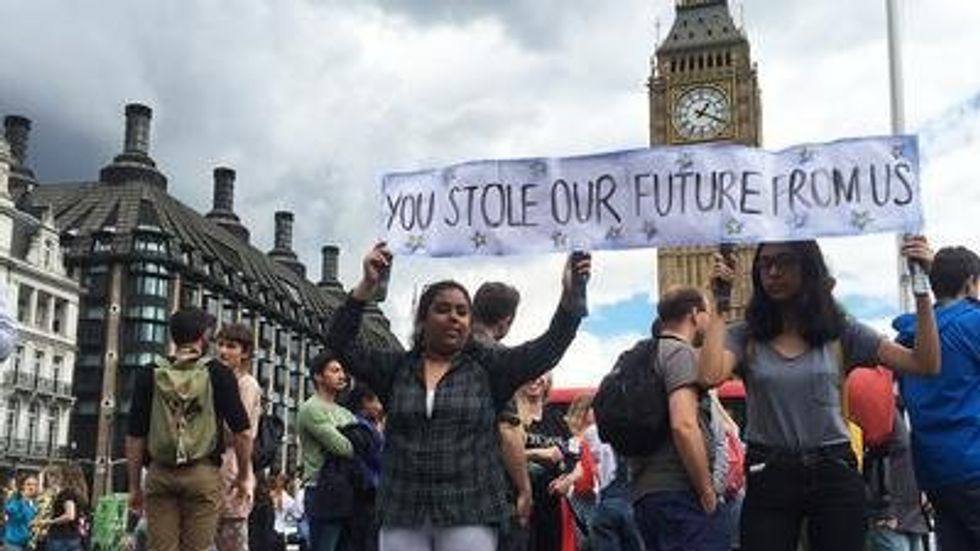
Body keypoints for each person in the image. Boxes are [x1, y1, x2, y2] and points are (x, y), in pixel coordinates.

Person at [325, 242, 590, 551]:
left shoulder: (489, 369)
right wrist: (367, 286)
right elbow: (339, 341)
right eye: (443, 309)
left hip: (469, 514)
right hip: (402, 513)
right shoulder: (396, 369)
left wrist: (571, 298)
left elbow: (546, 349)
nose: (454, 317)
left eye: (462, 312)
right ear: (423, 320)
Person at [698, 237, 941, 551]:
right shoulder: (746, 335)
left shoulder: (841, 332)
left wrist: (921, 288)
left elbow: (925, 363)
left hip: (833, 470)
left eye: (784, 262)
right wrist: (719, 303)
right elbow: (709, 376)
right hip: (769, 471)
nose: (773, 272)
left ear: (809, 268)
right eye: (765, 265)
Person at [126, 307, 253, 551]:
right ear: (203, 337)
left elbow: (135, 436)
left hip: (160, 472)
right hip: (202, 473)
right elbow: (243, 432)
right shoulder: (218, 373)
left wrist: (134, 486)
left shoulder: (149, 372)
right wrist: (243, 475)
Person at [893, 245, 980, 551]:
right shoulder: (972, 323)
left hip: (933, 469)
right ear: (970, 282)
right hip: (974, 460)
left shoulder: (909, 336)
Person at [628, 287, 728, 551]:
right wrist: (706, 490)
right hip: (680, 491)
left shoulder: (639, 356)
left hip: (644, 493)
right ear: (694, 314)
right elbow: (683, 425)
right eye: (707, 313)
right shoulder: (679, 353)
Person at [471, 281, 534, 551]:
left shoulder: (442, 351)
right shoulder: (497, 357)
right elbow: (507, 431)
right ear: (507, 320)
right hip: (489, 492)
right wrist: (524, 488)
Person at [297, 350, 356, 551]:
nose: (342, 375)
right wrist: (357, 441)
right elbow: (344, 448)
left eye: (342, 371)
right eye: (334, 370)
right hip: (321, 488)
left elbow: (365, 445)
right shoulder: (311, 408)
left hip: (347, 488)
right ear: (318, 376)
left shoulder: (345, 412)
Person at [214, 323, 264, 551]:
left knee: (231, 539)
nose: (223, 351)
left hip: (232, 467)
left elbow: (238, 430)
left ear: (245, 353)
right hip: (216, 468)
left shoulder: (246, 384)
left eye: (231, 346)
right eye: (221, 344)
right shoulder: (219, 379)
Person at [36, 464, 89, 551]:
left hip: (60, 537)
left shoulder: (67, 493)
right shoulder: (80, 495)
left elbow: (70, 515)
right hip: (74, 536)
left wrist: (50, 522)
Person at [3, 475, 38, 551]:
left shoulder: (34, 503)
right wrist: (23, 500)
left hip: (26, 544)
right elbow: (11, 512)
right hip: (13, 544)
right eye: (28, 484)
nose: (31, 487)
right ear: (22, 486)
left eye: (35, 485)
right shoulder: (15, 499)